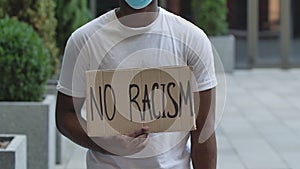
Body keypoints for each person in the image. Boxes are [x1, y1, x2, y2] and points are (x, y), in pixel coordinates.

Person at [55, 0, 217, 168]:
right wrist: (104, 143)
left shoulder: (192, 39)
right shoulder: (84, 40)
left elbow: (203, 130)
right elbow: (65, 115)